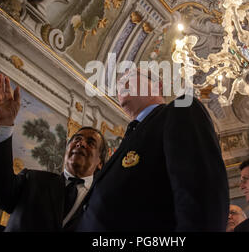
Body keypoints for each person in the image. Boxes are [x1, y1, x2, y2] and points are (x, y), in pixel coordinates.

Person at [76, 68, 229, 231]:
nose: (122, 84)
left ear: (158, 86)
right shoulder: (130, 138)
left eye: (131, 78)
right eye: (120, 83)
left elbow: (202, 198)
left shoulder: (180, 111)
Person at [0, 74, 108, 231]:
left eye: (90, 143)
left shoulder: (104, 203)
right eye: (76, 139)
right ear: (66, 150)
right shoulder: (32, 181)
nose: (81, 143)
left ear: (100, 162)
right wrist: (3, 124)